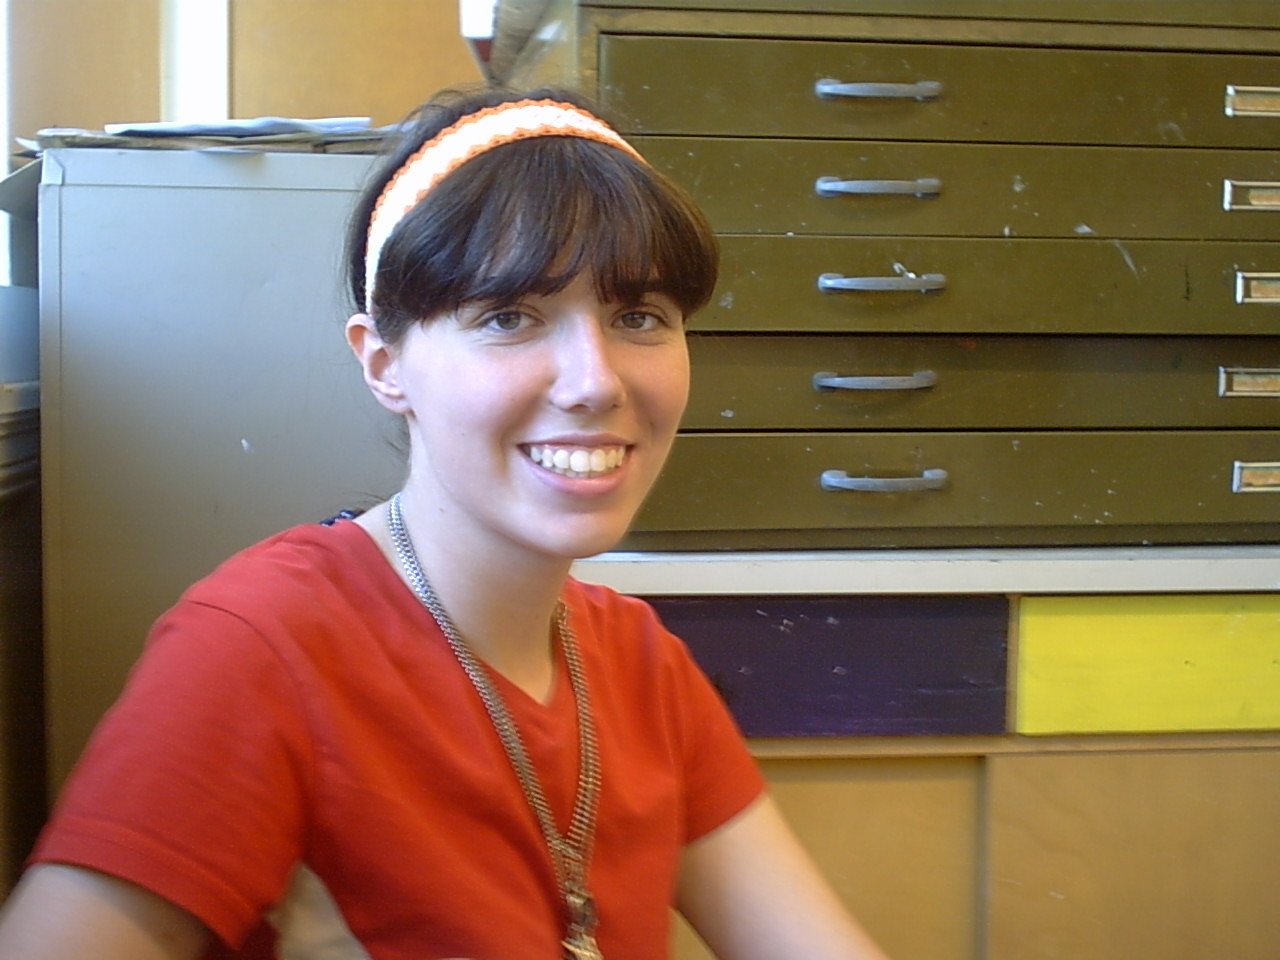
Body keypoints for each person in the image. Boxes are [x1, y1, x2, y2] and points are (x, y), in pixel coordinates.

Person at [0, 86, 891, 960]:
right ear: (385, 364)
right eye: (509, 317)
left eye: (638, 316)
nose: (595, 381)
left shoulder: (644, 667)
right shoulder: (261, 649)